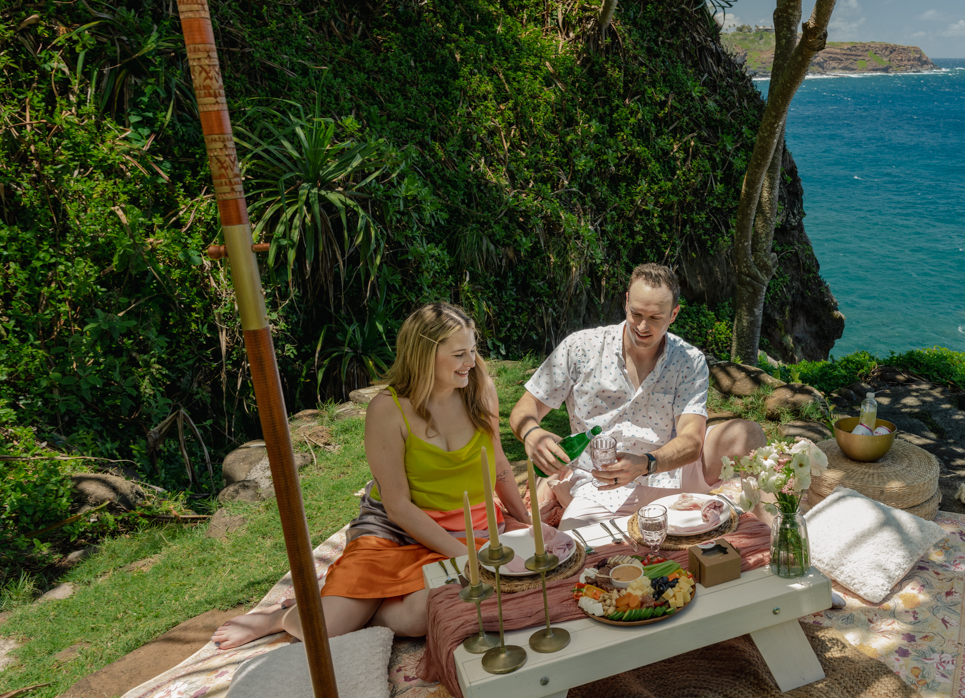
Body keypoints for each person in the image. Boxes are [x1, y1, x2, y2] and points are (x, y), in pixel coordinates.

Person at [212, 303, 529, 650]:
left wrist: (525, 522)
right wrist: (465, 559)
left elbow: (498, 464)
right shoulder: (388, 410)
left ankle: (368, 607)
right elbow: (397, 507)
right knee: (327, 629)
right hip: (395, 530)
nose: (471, 362)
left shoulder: (479, 390)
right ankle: (277, 617)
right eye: (458, 354)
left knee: (426, 614)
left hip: (470, 527)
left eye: (472, 350)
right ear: (423, 355)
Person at [509, 263, 766, 529]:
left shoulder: (688, 360)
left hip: (670, 471)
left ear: (673, 314)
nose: (643, 326)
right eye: (636, 314)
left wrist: (646, 463)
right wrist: (531, 433)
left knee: (748, 434)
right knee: (576, 548)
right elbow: (524, 409)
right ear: (626, 303)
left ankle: (772, 536)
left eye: (655, 318)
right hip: (601, 485)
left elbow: (691, 441)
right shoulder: (580, 348)